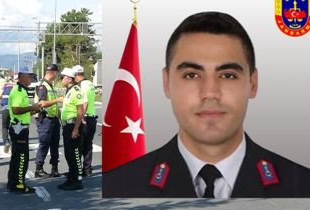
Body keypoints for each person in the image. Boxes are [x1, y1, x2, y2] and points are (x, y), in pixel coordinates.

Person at [102, 11, 310, 198]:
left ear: (253, 83)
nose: (210, 93)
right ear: (166, 83)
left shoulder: (300, 183)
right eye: (191, 75)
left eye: (228, 75)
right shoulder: (120, 184)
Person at [6, 70, 41, 194]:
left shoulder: (23, 90)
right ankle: (20, 184)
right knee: (22, 157)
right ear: (21, 78)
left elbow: (22, 110)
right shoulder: (18, 91)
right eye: (29, 77)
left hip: (20, 127)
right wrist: (32, 107)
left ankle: (12, 182)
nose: (31, 80)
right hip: (19, 129)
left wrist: (34, 110)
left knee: (16, 157)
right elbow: (15, 110)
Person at [57, 67, 85, 191]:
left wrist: (76, 128)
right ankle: (71, 178)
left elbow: (80, 111)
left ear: (69, 78)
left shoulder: (76, 90)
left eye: (63, 77)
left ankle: (77, 181)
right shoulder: (69, 90)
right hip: (67, 125)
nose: (61, 79)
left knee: (74, 154)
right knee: (69, 154)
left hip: (73, 125)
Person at [34, 64, 64, 178]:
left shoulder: (51, 86)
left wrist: (61, 117)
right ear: (53, 73)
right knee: (44, 143)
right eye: (56, 73)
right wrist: (58, 99)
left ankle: (54, 168)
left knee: (55, 144)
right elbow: (42, 103)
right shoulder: (43, 86)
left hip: (54, 119)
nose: (57, 76)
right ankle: (39, 169)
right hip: (45, 119)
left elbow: (53, 105)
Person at [73, 65, 97, 177]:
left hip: (85, 117)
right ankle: (87, 169)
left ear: (76, 75)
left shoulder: (82, 85)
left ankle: (78, 170)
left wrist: (80, 118)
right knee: (88, 144)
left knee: (79, 144)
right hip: (92, 117)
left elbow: (85, 102)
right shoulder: (90, 83)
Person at [0, 79, 14, 153]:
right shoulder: (16, 87)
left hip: (5, 109)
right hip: (14, 109)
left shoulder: (4, 87)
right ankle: (13, 143)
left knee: (4, 127)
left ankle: (6, 142)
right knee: (13, 126)